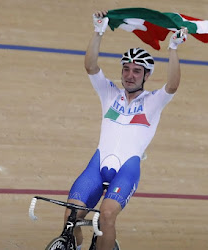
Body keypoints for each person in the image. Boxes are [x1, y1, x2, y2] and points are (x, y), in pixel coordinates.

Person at [64, 10, 188, 250]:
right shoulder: (109, 93)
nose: (130, 76)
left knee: (107, 215)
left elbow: (172, 84)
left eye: (137, 71)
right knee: (71, 214)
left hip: (126, 171)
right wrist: (99, 31)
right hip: (97, 167)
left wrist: (173, 49)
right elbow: (90, 66)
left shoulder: (153, 101)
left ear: (147, 75)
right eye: (126, 69)